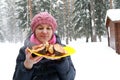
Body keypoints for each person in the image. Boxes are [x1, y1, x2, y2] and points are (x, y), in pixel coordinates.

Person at [13, 12, 76, 80]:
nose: (44, 32)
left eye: (48, 28)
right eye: (40, 28)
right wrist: (27, 65)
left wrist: (61, 60)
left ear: (53, 31)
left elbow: (70, 78)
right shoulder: (26, 51)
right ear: (34, 31)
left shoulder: (62, 49)